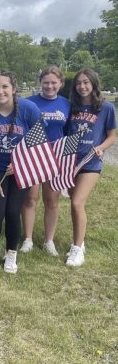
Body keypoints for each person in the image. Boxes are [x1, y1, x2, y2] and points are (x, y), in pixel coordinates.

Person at [0, 71, 41, 274]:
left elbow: (38, 141)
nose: (0, 91)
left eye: (4, 87)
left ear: (13, 89)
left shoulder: (28, 109)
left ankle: (11, 253)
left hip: (20, 169)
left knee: (12, 212)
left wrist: (21, 163)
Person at [64, 68, 116, 267]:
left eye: (86, 82)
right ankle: (80, 241)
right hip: (70, 163)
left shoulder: (106, 108)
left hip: (91, 162)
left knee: (77, 202)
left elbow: (112, 136)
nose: (82, 86)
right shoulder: (72, 107)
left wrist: (101, 148)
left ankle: (77, 250)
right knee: (74, 204)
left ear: (94, 83)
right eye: (78, 83)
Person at [20, 66, 70, 256]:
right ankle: (28, 238)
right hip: (33, 155)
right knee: (30, 198)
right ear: (40, 83)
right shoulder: (28, 102)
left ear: (60, 84)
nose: (49, 86)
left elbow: (69, 131)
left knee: (52, 200)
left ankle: (49, 241)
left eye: (53, 82)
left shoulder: (66, 104)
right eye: (46, 82)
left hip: (55, 156)